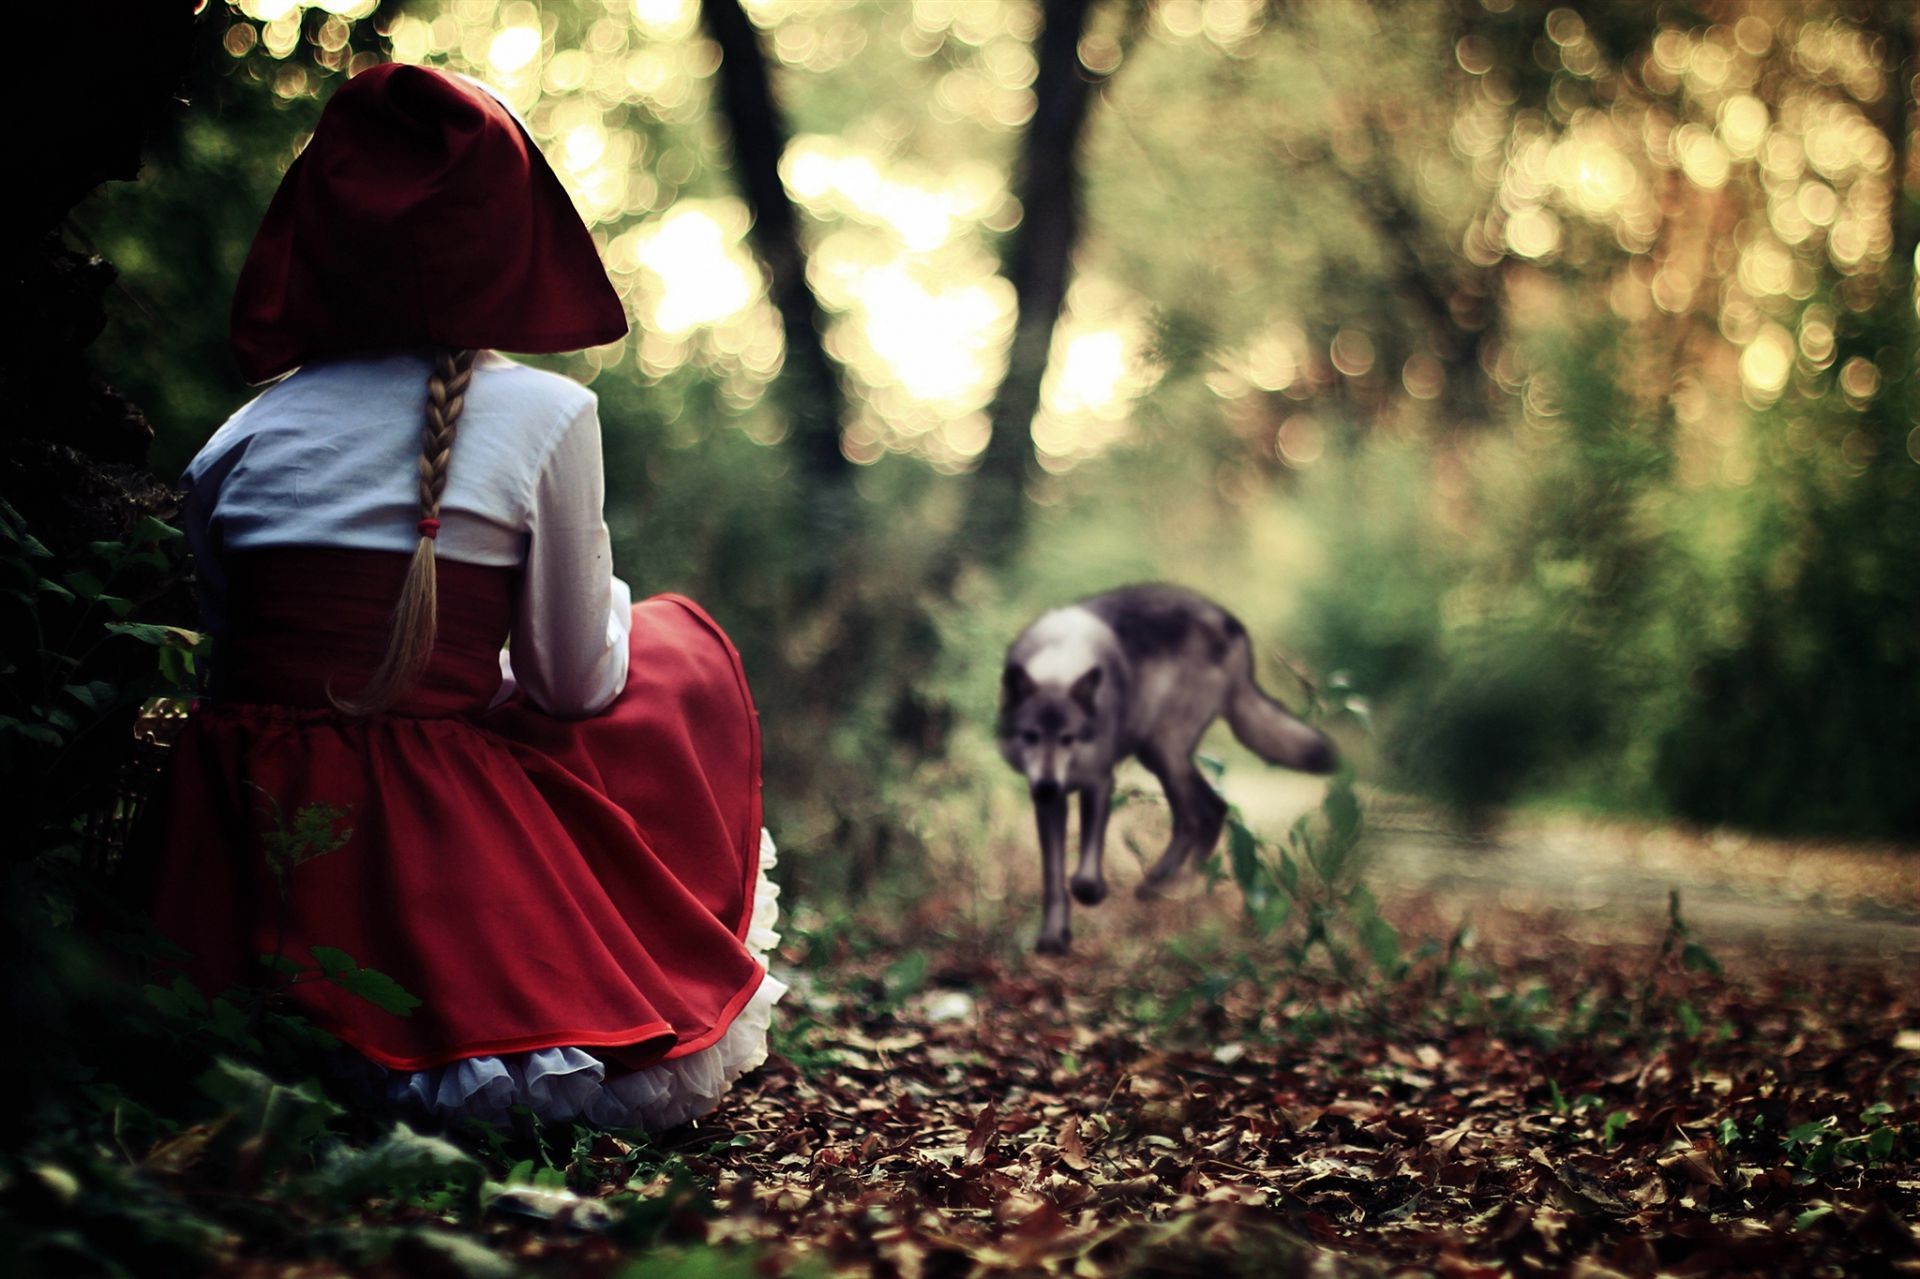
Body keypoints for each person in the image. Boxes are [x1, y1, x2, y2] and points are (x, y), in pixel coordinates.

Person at [149, 63, 783, 1130]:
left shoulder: (238, 437)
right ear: (510, 236)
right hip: (427, 834)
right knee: (674, 649)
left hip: (229, 847)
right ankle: (606, 943)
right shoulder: (541, 415)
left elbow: (227, 669)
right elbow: (575, 683)